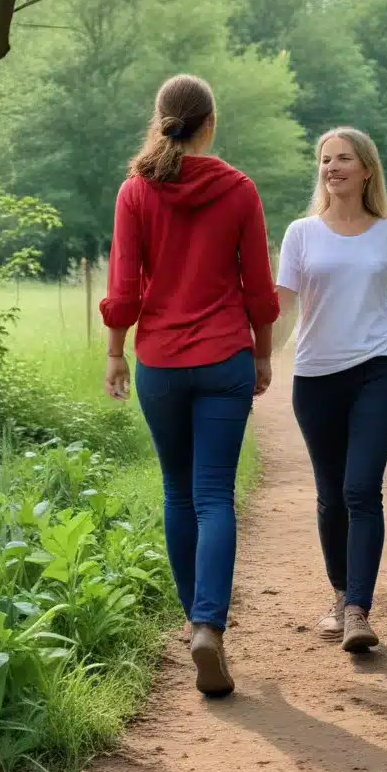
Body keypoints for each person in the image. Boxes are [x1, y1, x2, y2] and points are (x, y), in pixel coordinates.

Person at [100, 74, 279, 698]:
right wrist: (261, 353)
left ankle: (194, 624)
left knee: (178, 492)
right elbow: (258, 285)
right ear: (212, 121)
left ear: (160, 120)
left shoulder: (135, 192)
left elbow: (124, 287)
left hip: (161, 364)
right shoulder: (239, 190)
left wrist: (117, 353)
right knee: (213, 496)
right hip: (225, 357)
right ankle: (209, 623)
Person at [275, 127, 387, 654]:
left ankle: (357, 611)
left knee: (360, 489)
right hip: (315, 376)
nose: (333, 167)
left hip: (377, 371)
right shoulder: (301, 233)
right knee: (330, 495)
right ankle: (341, 591)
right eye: (326, 160)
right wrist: (258, 360)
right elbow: (282, 308)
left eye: (344, 159)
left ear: (366, 169)